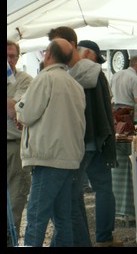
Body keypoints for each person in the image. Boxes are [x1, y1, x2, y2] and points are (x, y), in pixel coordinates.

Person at [17, 38, 86, 247]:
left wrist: (18, 108)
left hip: (48, 157)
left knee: (36, 216)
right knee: (63, 218)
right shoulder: (75, 85)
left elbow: (27, 114)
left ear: (47, 54)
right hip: (69, 157)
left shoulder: (44, 79)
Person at [70, 40, 121, 247]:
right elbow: (106, 108)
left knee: (74, 193)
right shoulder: (98, 75)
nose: (97, 62)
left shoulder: (68, 74)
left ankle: (81, 239)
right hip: (98, 139)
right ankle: (104, 237)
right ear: (89, 53)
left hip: (76, 140)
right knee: (104, 188)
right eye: (96, 57)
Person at [7, 40, 33, 242]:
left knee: (16, 198)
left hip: (14, 145)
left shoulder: (24, 79)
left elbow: (13, 110)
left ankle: (11, 239)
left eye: (12, 56)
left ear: (18, 57)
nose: (8, 60)